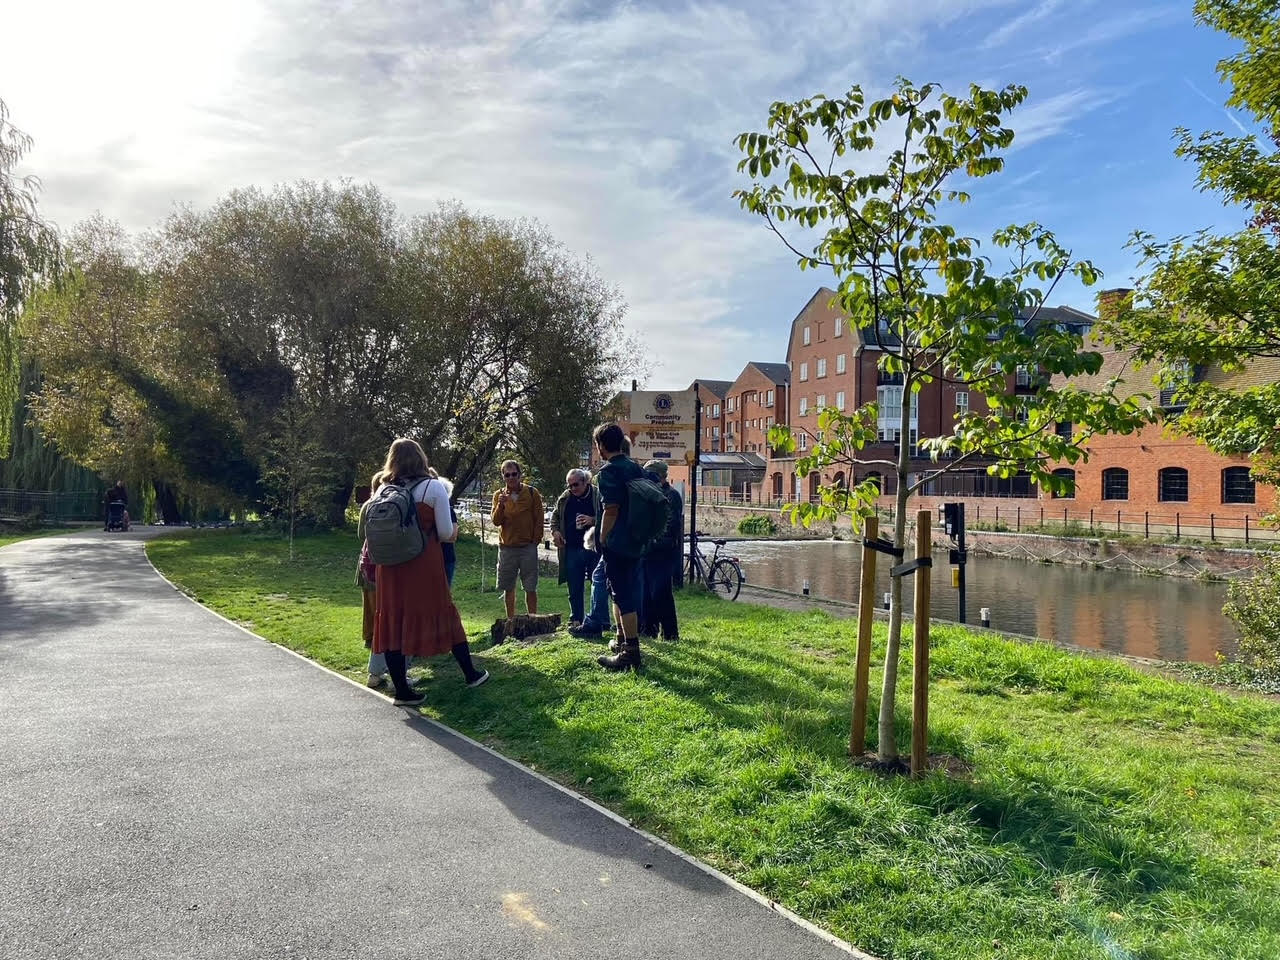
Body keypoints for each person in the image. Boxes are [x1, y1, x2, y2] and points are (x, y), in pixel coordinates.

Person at [373, 438, 489, 704]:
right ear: (421, 458)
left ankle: (402, 690)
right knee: (443, 613)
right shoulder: (432, 487)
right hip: (422, 565)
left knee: (394, 620)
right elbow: (447, 533)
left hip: (389, 568)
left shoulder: (383, 488)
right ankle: (471, 674)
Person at [590, 423, 646, 671]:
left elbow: (610, 510)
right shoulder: (635, 467)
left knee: (622, 594)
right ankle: (622, 638)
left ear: (601, 445)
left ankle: (631, 652)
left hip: (617, 542)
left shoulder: (608, 472)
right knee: (619, 590)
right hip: (635, 538)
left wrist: (601, 538)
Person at [490, 460, 544, 621]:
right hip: (507, 548)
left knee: (530, 587)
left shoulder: (532, 493)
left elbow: (539, 519)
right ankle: (511, 621)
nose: (511, 477)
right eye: (507, 475)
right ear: (503, 477)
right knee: (508, 588)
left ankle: (533, 619)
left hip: (528, 547)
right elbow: (496, 521)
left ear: (520, 474)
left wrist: (535, 541)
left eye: (514, 474)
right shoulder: (498, 496)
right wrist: (501, 505)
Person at [549, 468, 601, 628]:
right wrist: (556, 532)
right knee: (574, 586)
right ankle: (576, 618)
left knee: (597, 584)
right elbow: (555, 517)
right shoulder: (565, 498)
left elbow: (610, 516)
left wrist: (593, 520)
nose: (572, 488)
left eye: (576, 485)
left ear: (586, 482)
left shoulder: (598, 495)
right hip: (571, 548)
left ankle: (597, 620)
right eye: (569, 485)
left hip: (594, 548)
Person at [641, 460, 682, 641]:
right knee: (646, 593)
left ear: (660, 476)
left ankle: (670, 633)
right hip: (648, 552)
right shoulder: (648, 494)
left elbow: (671, 526)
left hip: (664, 553)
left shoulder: (671, 496)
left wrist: (652, 541)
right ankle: (649, 629)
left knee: (661, 593)